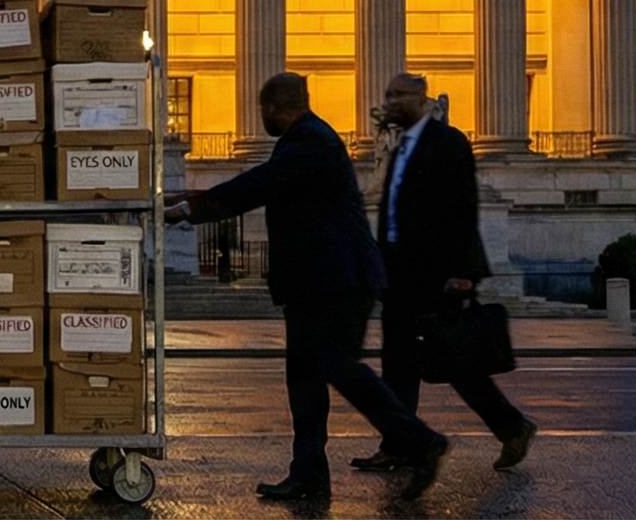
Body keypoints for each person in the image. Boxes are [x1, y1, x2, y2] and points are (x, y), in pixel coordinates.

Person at [166, 72, 449, 502]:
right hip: (316, 282)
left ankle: (419, 439)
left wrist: (190, 207)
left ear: (275, 108)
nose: (262, 118)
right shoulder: (304, 140)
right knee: (304, 380)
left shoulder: (311, 141)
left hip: (340, 280)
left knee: (335, 364)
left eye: (263, 111)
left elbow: (255, 185)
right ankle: (309, 474)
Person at [360, 73, 538, 472]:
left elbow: (462, 207)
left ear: (421, 99)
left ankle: (513, 427)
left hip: (435, 273)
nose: (388, 102)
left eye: (397, 95)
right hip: (400, 274)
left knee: (456, 362)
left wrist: (463, 271)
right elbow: (393, 213)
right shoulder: (402, 144)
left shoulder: (448, 141)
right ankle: (399, 445)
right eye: (386, 94)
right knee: (398, 366)